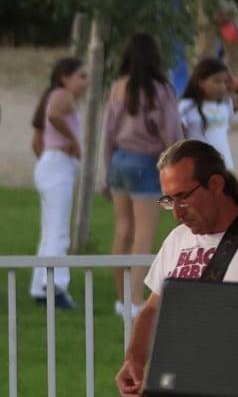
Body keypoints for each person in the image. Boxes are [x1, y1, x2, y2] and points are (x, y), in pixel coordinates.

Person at [117, 140, 238, 397]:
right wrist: (135, 360)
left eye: (183, 197)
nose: (176, 212)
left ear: (216, 185)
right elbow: (153, 309)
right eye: (168, 200)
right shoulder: (178, 239)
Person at [102, 32, 185, 318]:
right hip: (146, 162)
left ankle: (121, 297)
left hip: (119, 160)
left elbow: (108, 134)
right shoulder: (160, 90)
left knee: (122, 230)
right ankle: (136, 300)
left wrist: (107, 170)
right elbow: (171, 133)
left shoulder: (117, 87)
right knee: (144, 235)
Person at [30, 57, 89, 309]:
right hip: (58, 166)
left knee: (49, 232)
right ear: (65, 77)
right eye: (81, 76)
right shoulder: (63, 96)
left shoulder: (54, 94)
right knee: (59, 232)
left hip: (51, 164)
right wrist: (73, 141)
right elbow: (54, 116)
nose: (86, 83)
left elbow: (38, 139)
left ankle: (40, 286)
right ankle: (56, 288)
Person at [177, 56, 238, 169]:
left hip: (225, 165)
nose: (222, 86)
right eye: (216, 81)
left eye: (225, 82)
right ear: (201, 82)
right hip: (198, 167)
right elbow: (177, 135)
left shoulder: (224, 104)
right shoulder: (186, 106)